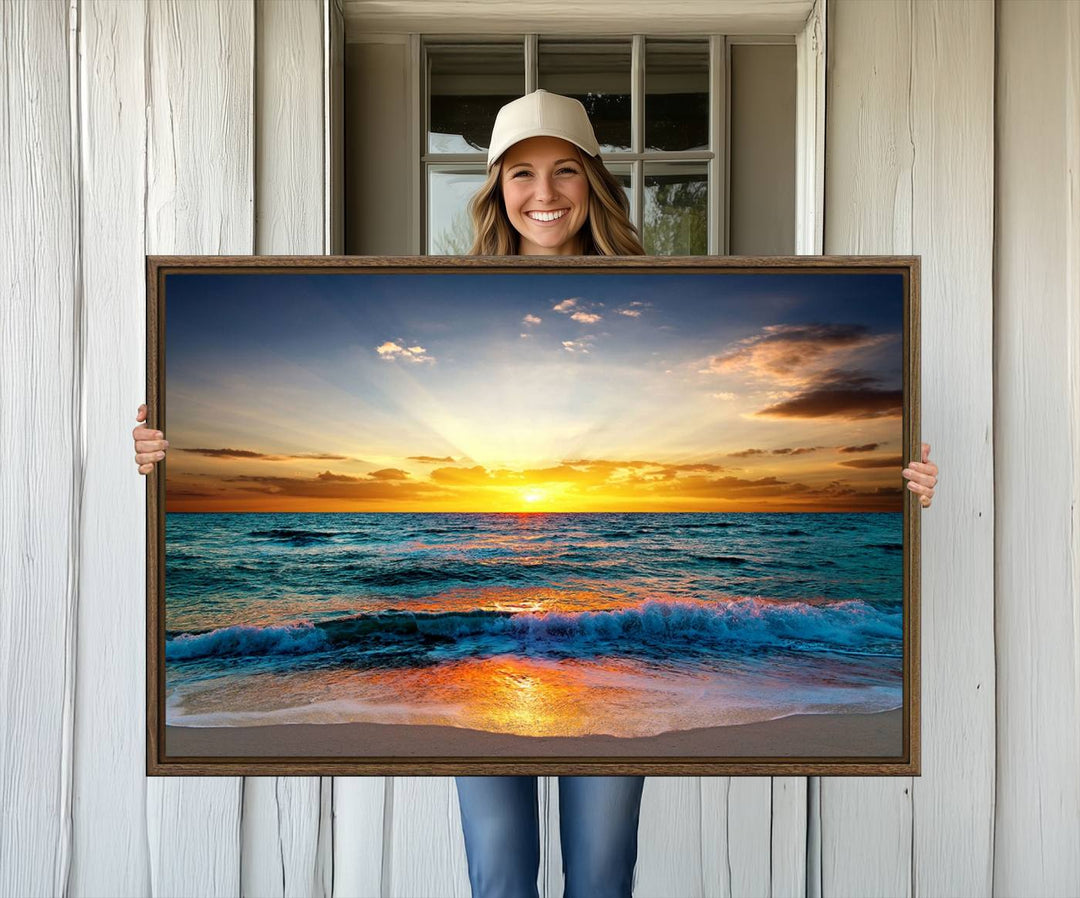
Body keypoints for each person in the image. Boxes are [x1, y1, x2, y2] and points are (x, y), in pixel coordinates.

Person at [131, 90, 940, 898]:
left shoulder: (664, 298)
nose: (544, 194)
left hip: (618, 665)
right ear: (495, 188)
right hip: (473, 654)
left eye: (564, 171)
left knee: (601, 872)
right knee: (500, 872)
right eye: (521, 173)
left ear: (593, 181)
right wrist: (168, 445)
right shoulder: (445, 304)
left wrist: (896, 480)